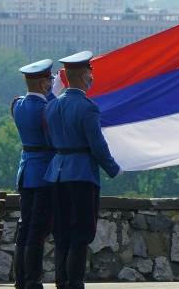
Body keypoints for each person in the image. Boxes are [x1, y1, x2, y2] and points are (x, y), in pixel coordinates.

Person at [43, 50, 122, 289]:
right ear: (84, 75)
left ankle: (62, 282)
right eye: (90, 73)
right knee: (81, 232)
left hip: (56, 173)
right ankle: (74, 283)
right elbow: (97, 145)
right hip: (81, 175)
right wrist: (113, 168)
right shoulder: (88, 108)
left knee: (62, 233)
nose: (91, 78)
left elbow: (50, 141)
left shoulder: (52, 107)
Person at [11, 58, 56, 289]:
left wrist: (47, 92)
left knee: (25, 228)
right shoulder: (46, 108)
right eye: (48, 79)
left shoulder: (17, 105)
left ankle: (21, 279)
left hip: (26, 172)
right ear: (43, 83)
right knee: (37, 231)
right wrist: (52, 94)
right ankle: (33, 280)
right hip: (43, 174)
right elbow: (53, 138)